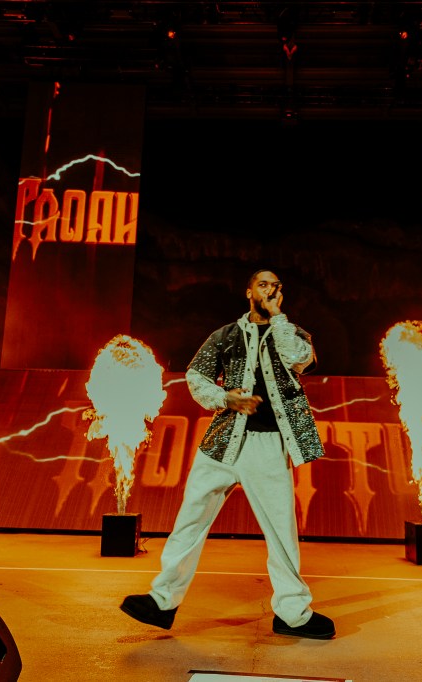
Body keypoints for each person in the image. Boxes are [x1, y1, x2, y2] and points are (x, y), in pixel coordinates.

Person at [120, 269, 335, 640]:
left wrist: (278, 317)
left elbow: (300, 359)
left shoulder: (291, 332)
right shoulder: (225, 336)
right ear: (248, 291)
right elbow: (196, 376)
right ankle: (162, 600)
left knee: (280, 531)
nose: (271, 290)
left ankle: (292, 613)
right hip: (222, 442)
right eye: (263, 284)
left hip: (267, 444)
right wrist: (224, 398)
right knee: (190, 519)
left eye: (276, 286)